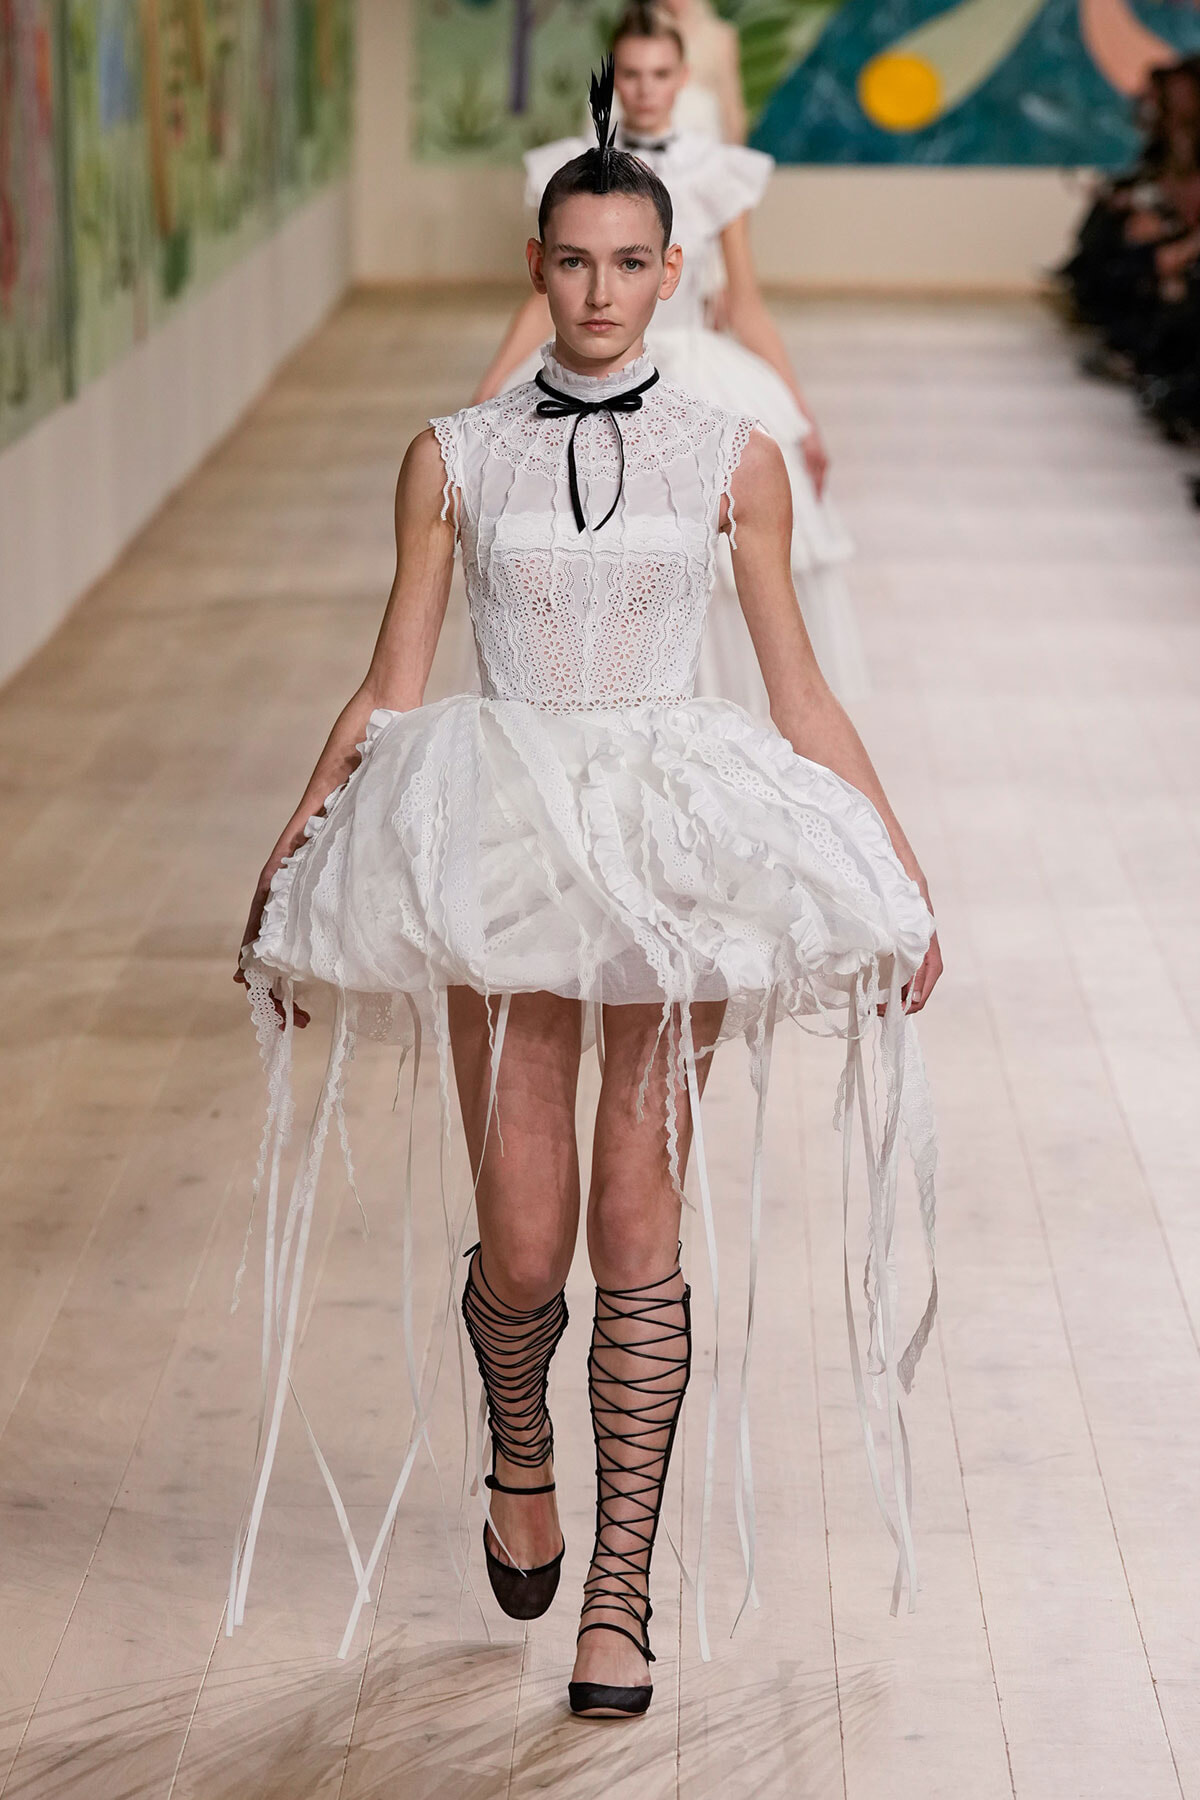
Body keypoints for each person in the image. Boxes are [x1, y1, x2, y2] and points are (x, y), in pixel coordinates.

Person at [233, 57, 942, 1723]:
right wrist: (291, 863)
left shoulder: (732, 455)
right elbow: (390, 682)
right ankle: (521, 1431)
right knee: (529, 1243)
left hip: (672, 838)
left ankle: (620, 1586)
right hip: (499, 831)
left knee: (640, 1219)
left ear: (672, 271)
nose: (604, 289)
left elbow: (800, 690)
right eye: (574, 261)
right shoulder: (453, 455)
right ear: (538, 267)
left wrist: (894, 864)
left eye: (634, 263)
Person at [472, 7, 868, 712]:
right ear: (613, 76)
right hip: (589, 379)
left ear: (684, 79)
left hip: (699, 371)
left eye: (661, 74)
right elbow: (544, 299)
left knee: (718, 567)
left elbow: (744, 302)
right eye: (632, 73)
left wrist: (801, 414)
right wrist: (485, 395)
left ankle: (709, 725)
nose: (647, 88)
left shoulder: (718, 173)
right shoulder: (570, 171)